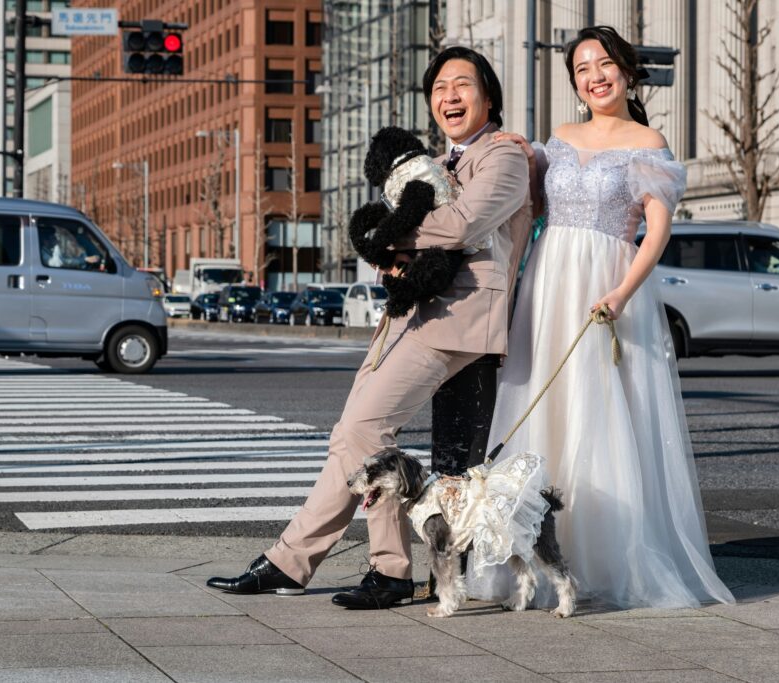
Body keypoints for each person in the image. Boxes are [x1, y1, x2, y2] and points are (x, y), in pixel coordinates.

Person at [207, 46, 534, 609]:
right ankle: (323, 564)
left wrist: (384, 235)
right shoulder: (439, 161)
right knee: (350, 436)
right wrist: (393, 255)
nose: (448, 97)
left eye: (462, 85)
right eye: (438, 89)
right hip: (414, 315)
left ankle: (362, 567)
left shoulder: (504, 159)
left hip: (458, 320)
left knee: (361, 431)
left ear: (489, 97)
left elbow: (459, 225)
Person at [471, 26, 735, 610]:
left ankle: (603, 557)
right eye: (583, 68)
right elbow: (526, 201)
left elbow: (657, 229)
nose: (595, 75)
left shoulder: (648, 141)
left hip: (606, 283)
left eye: (604, 64)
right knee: (545, 404)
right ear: (574, 83)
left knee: (602, 412)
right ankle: (530, 563)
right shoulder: (558, 140)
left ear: (627, 70)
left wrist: (621, 292)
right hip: (549, 281)